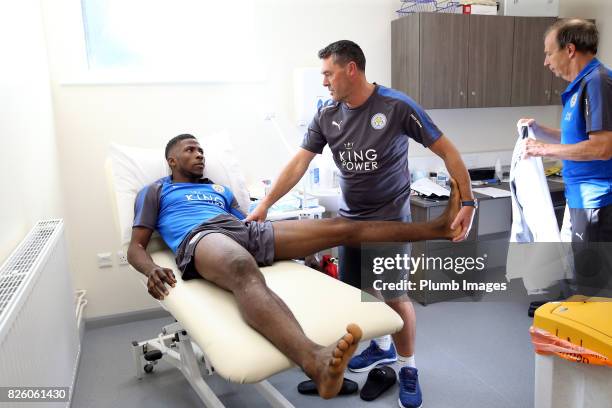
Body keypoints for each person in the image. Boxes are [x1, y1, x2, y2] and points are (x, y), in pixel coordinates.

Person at [127, 134, 463, 399]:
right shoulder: (157, 189)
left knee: (341, 227)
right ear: (172, 160)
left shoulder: (220, 189)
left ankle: (437, 229)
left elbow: (245, 223)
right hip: (201, 238)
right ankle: (314, 360)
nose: (200, 154)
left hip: (243, 230)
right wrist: (149, 269)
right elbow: (136, 247)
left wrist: (299, 252)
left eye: (201, 149)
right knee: (241, 267)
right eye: (190, 150)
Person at [247, 40, 475, 408]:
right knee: (361, 294)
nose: (324, 82)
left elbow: (447, 151)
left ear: (351, 69)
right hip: (350, 224)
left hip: (390, 221)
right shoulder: (326, 114)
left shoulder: (395, 106)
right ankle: (382, 347)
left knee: (396, 297)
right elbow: (299, 163)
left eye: (328, 73)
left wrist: (468, 201)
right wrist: (265, 207)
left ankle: (408, 367)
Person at [520, 19, 612, 296]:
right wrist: (540, 132)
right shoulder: (580, 86)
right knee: (578, 275)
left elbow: (602, 147)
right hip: (579, 196)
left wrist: (543, 149)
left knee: (589, 283)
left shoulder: (598, 82)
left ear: (569, 50)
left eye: (549, 53)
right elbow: (577, 138)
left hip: (596, 199)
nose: (546, 61)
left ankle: (583, 336)